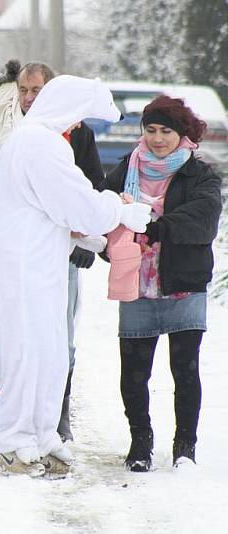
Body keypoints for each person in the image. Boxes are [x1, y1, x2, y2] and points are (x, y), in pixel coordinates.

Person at [0, 75, 151, 477]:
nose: (76, 128)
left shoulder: (35, 140)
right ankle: (12, 438)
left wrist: (94, 236)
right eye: (77, 118)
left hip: (36, 261)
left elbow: (52, 209)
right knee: (25, 350)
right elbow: (73, 201)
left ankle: (40, 433)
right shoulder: (39, 143)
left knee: (49, 350)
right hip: (19, 266)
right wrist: (117, 211)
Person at [0, 60, 105, 442]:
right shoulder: (18, 133)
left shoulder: (74, 135)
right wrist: (110, 215)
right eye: (24, 90)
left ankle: (52, 418)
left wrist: (86, 238)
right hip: (23, 253)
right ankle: (20, 428)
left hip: (59, 246)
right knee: (24, 341)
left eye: (37, 90)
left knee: (56, 339)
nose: (29, 97)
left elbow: (87, 184)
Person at [100, 95, 222, 472]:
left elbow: (202, 220)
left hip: (182, 284)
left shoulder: (199, 173)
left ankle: (185, 445)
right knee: (133, 373)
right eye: (150, 130)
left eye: (165, 130)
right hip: (135, 285)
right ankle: (141, 441)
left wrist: (154, 226)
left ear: (181, 133)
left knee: (184, 371)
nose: (156, 138)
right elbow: (104, 210)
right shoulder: (126, 168)